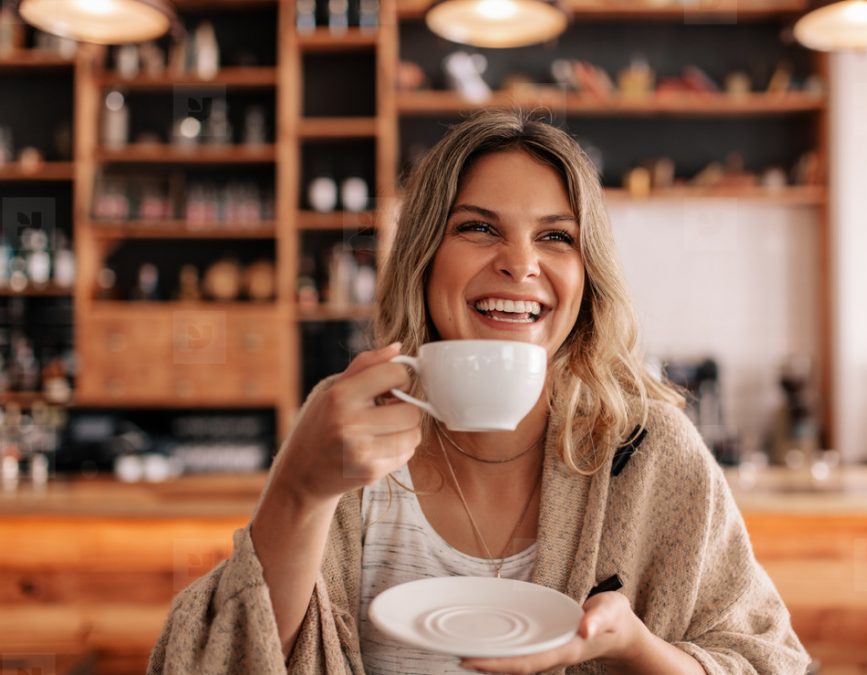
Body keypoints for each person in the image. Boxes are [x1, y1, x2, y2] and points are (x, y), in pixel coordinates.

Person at [149, 110, 811, 675]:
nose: (521, 262)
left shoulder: (646, 451)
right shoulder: (351, 432)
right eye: (478, 227)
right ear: (424, 256)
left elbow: (770, 658)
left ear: (586, 278)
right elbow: (211, 658)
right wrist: (298, 489)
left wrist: (639, 649)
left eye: (556, 236)